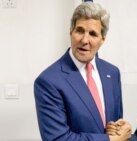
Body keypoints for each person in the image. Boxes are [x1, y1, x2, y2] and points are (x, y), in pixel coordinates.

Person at [34, 2, 131, 141]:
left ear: (102, 39)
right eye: (79, 30)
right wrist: (111, 139)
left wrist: (121, 128)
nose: (84, 40)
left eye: (93, 34)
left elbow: (115, 125)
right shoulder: (48, 81)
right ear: (70, 31)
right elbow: (58, 139)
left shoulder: (112, 73)